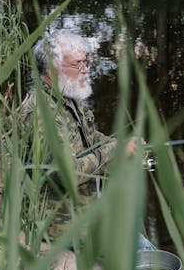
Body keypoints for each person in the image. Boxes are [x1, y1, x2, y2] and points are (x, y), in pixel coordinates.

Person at [21, 29, 138, 185]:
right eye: (76, 64)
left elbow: (87, 137)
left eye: (85, 62)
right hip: (60, 207)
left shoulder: (68, 96)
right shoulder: (42, 112)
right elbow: (65, 174)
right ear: (52, 70)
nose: (85, 70)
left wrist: (121, 144)